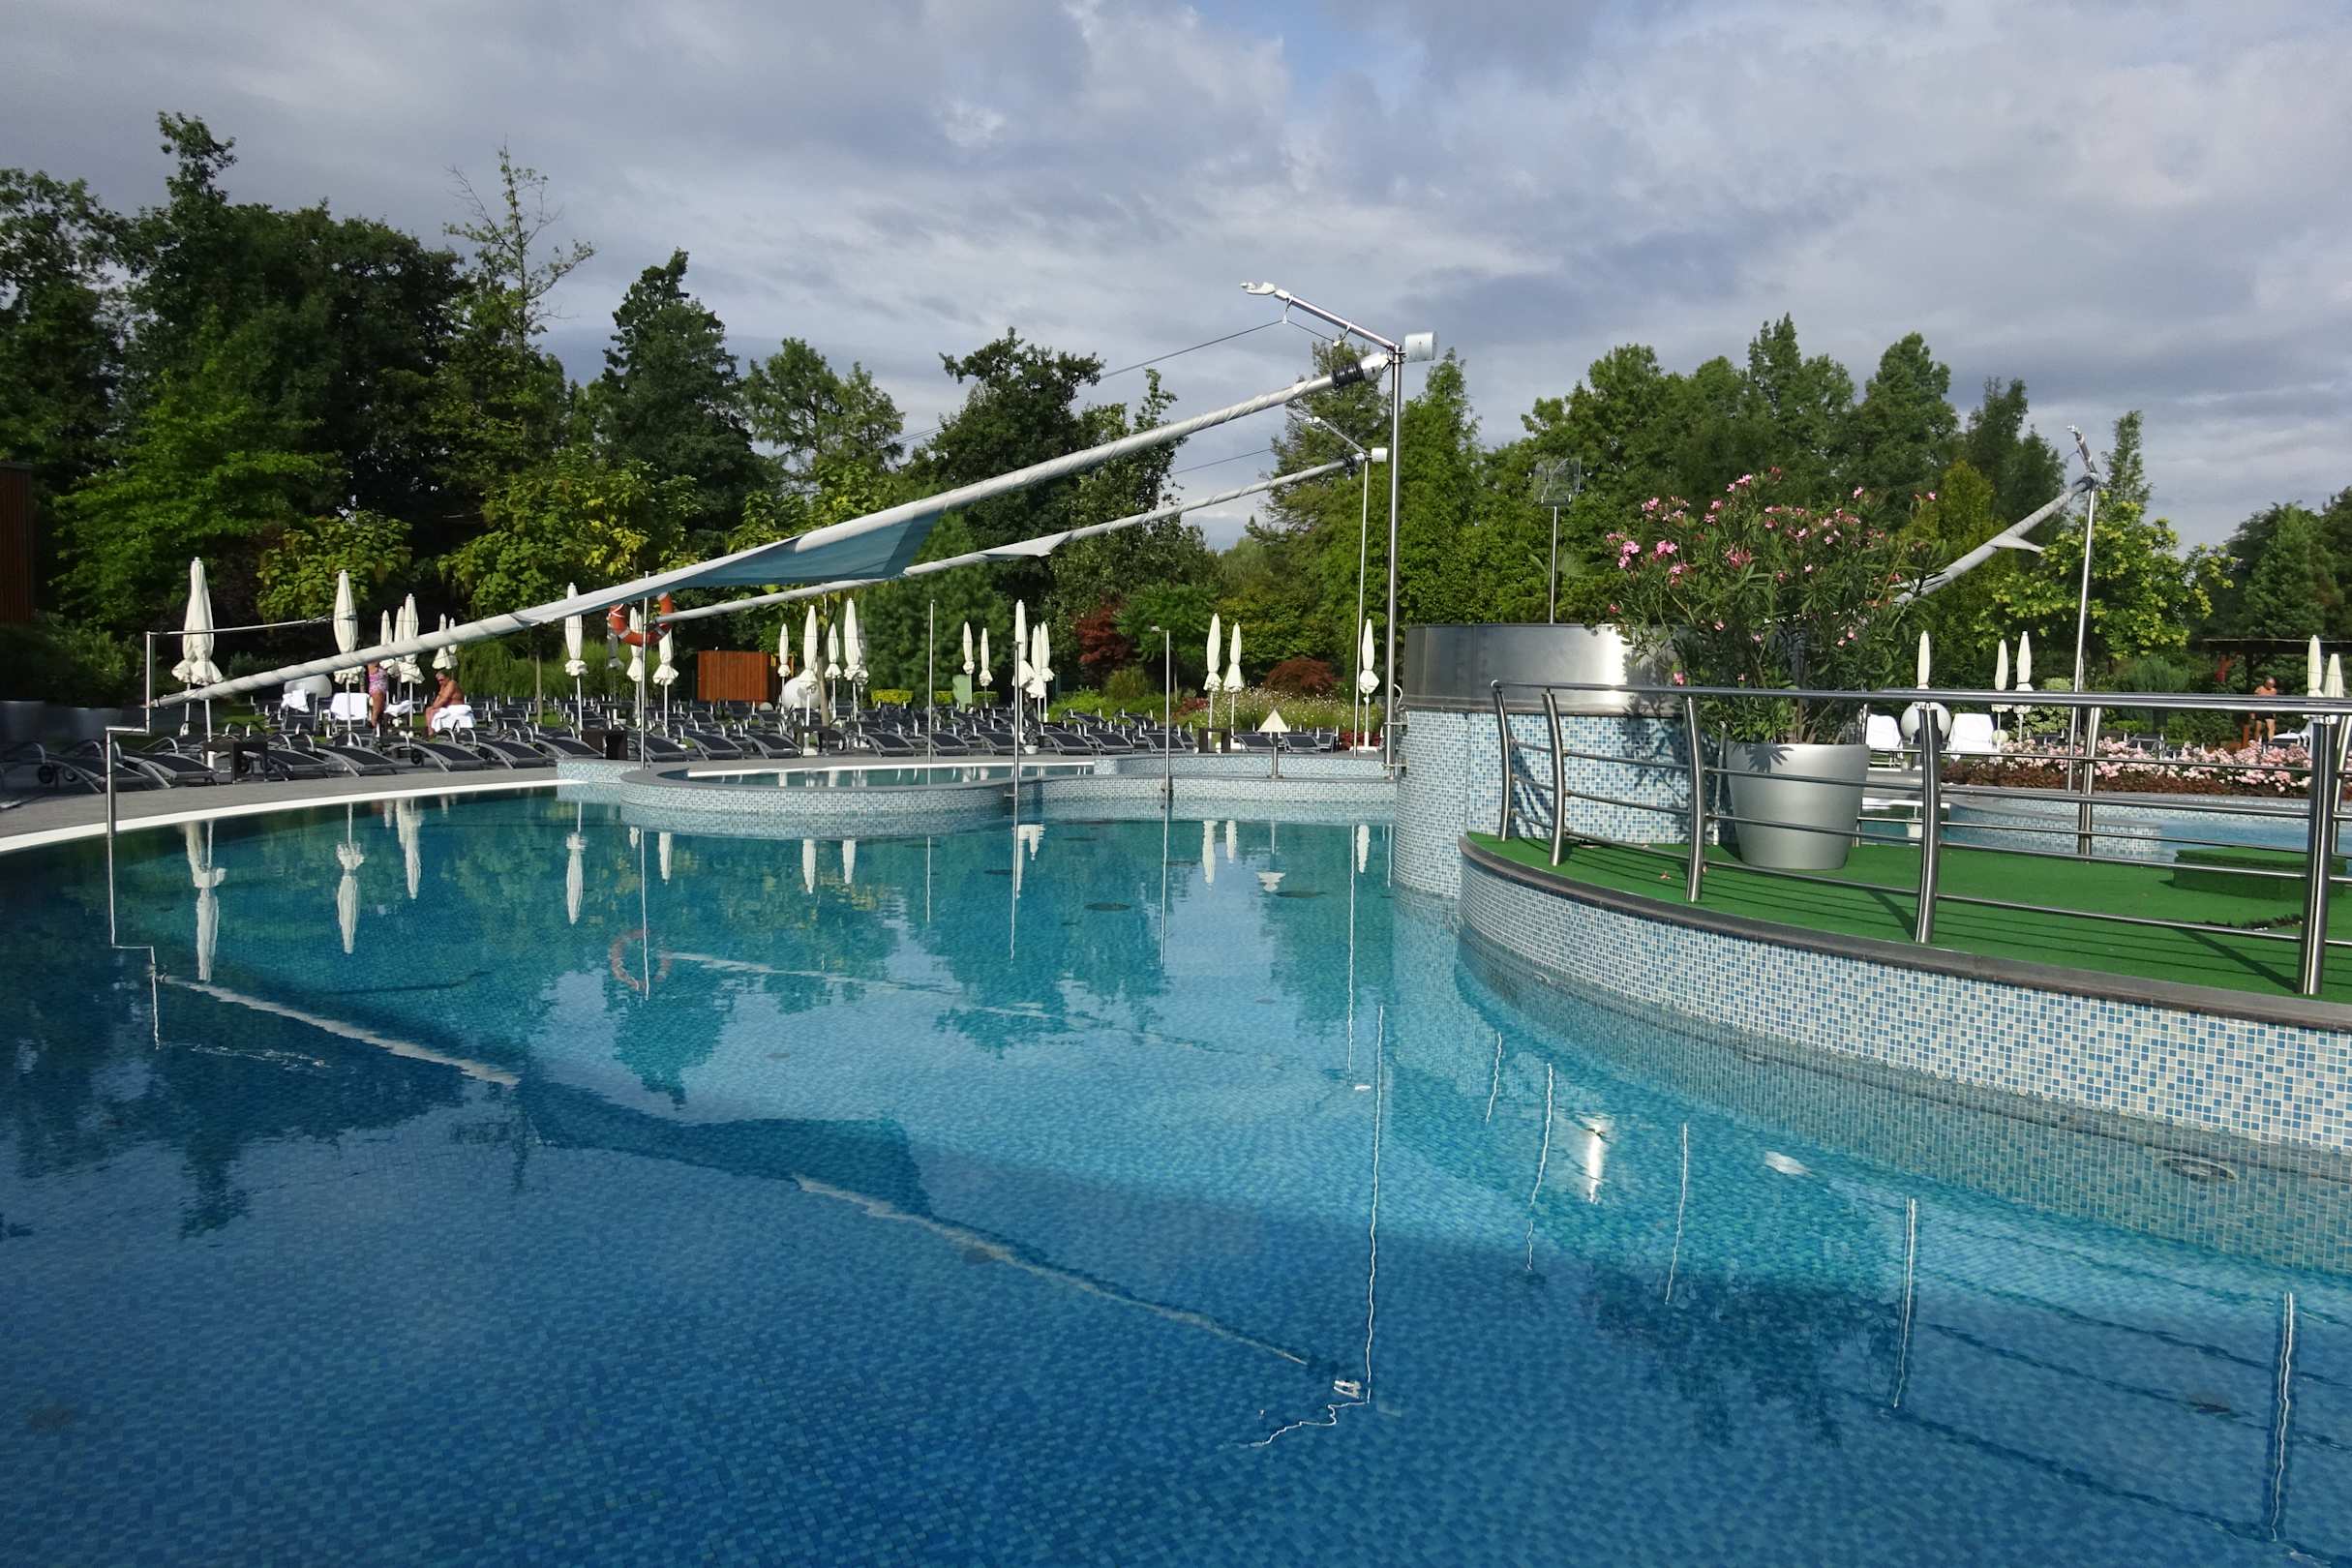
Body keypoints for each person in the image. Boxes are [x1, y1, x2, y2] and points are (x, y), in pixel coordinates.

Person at [425, 668, 466, 735]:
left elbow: (444, 699)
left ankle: (433, 732)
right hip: (447, 707)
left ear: (447, 678)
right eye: (439, 681)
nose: (440, 682)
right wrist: (434, 706)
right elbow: (439, 697)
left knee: (433, 712)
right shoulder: (443, 686)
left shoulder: (452, 684)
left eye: (442, 680)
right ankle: (429, 731)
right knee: (428, 710)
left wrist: (434, 707)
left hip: (455, 707)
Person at [2243, 674, 2278, 748]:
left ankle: (2270, 744)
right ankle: (2256, 744)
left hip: (2269, 711)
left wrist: (2274, 713)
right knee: (2258, 728)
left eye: (2272, 684)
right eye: (2270, 684)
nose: (2271, 686)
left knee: (2271, 727)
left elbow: (2275, 701)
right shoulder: (2259, 689)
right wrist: (2252, 713)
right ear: (2266, 683)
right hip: (2260, 711)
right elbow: (2253, 701)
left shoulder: (2274, 691)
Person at [365, 661, 388, 732]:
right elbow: (375, 663)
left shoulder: (384, 663)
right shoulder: (373, 663)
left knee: (381, 708)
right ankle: (373, 721)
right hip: (376, 688)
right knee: (377, 707)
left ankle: (380, 726)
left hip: (383, 688)